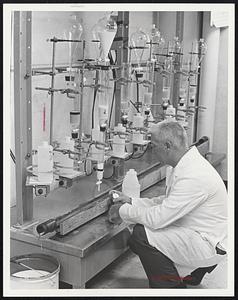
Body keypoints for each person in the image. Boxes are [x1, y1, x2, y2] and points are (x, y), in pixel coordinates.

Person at [108, 120, 227, 288]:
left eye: (153, 145)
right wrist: (131, 201)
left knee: (141, 236)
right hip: (206, 231)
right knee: (140, 236)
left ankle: (171, 288)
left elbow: (159, 218)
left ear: (168, 146)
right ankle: (196, 271)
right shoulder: (182, 164)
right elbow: (168, 202)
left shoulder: (193, 175)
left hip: (210, 242)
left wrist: (122, 211)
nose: (151, 150)